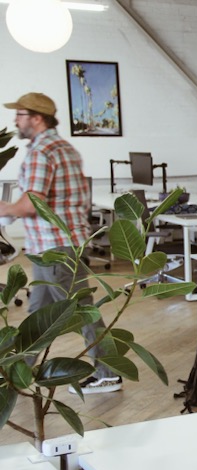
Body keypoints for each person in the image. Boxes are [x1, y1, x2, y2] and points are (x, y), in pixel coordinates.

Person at [0, 92, 120, 394]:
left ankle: (108, 373)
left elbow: (33, 204)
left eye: (21, 114)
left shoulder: (42, 151)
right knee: (39, 315)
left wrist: (6, 209)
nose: (16, 119)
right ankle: (17, 376)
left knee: (80, 311)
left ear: (37, 118)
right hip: (59, 246)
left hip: (55, 249)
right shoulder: (64, 148)